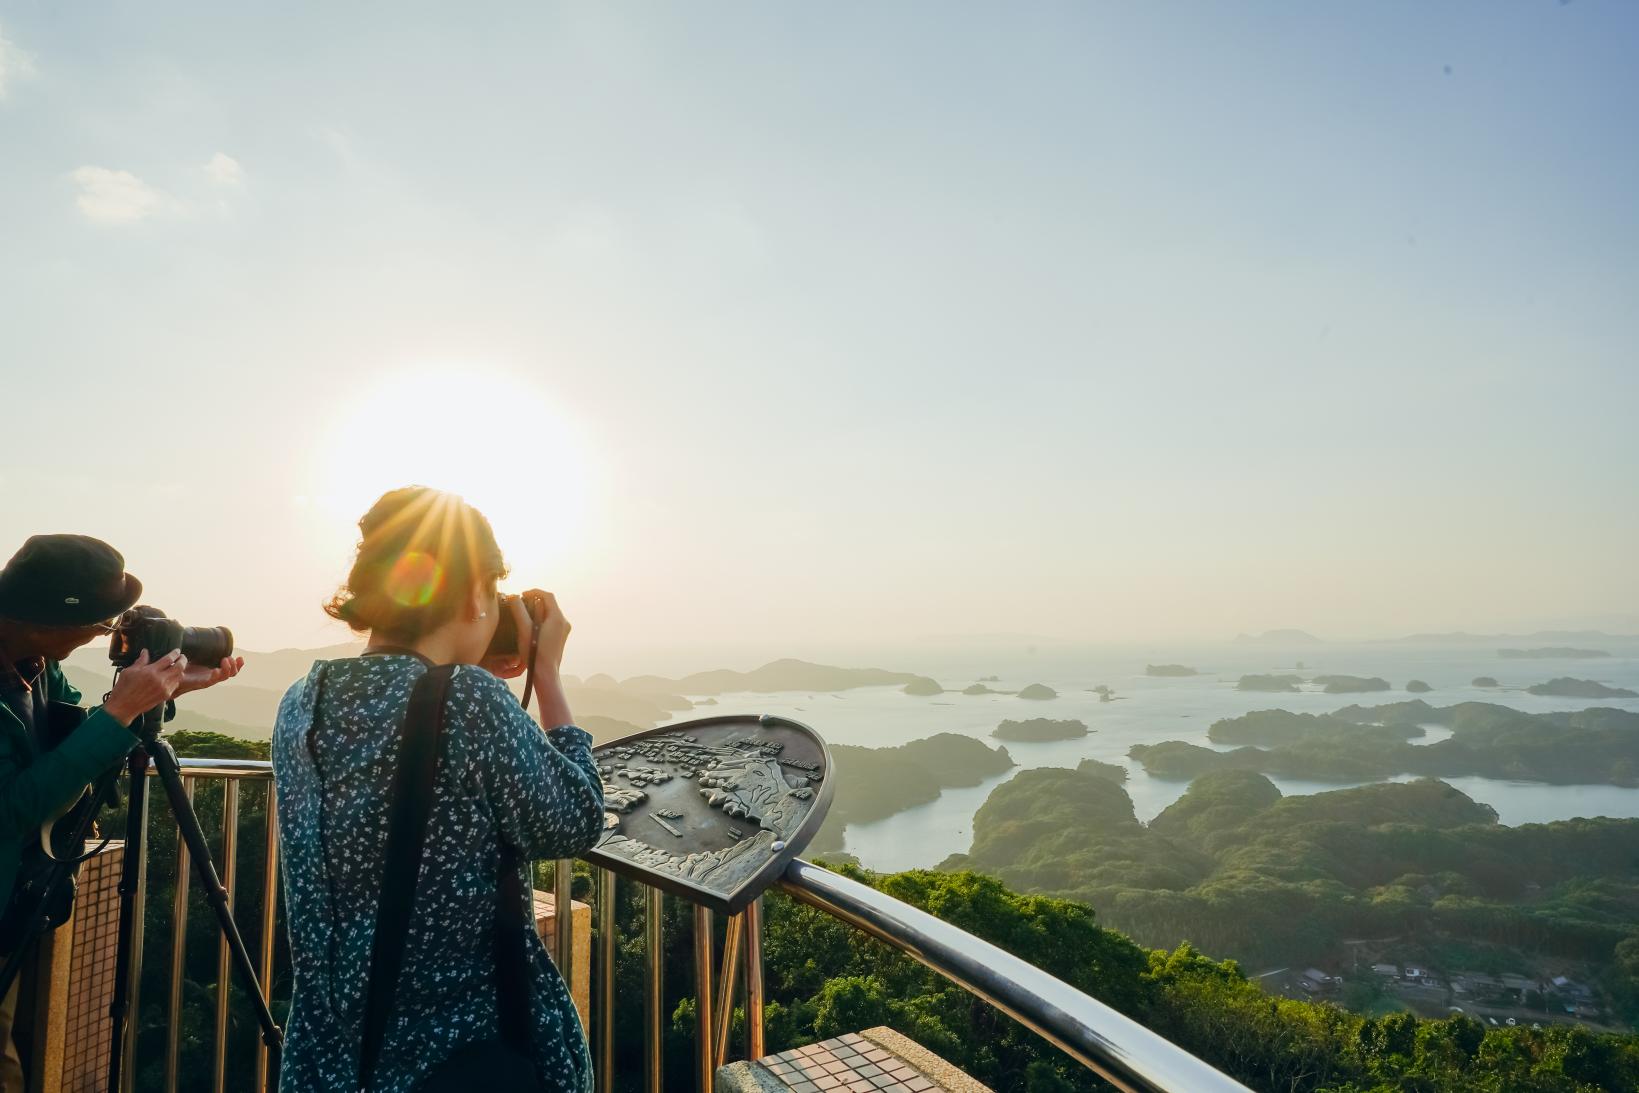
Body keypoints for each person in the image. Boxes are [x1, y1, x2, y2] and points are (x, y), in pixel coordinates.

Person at [272, 487, 604, 1093]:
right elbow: (576, 821)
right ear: (478, 591)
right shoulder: (468, 701)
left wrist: (468, 664)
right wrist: (547, 675)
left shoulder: (303, 700)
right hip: (455, 1057)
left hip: (333, 1059)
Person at [0, 534, 241, 1093]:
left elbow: (71, 733)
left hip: (19, 899)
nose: (104, 637)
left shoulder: (32, 664)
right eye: (101, 625)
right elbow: (11, 807)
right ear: (48, 618)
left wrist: (156, 694)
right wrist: (122, 710)